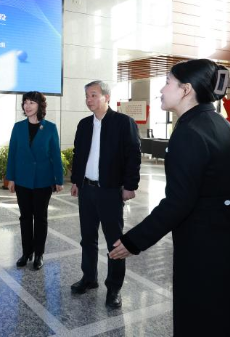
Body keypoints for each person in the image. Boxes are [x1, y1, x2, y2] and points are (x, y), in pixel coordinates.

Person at [109, 59, 230, 336]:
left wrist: (133, 241)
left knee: (202, 322)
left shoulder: (189, 133)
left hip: (205, 250)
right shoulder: (223, 125)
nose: (161, 90)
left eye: (168, 82)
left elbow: (179, 202)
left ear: (186, 90)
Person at [69, 80, 141, 308]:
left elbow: (133, 156)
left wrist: (130, 185)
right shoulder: (84, 124)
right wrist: (76, 181)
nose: (88, 99)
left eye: (93, 95)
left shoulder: (123, 123)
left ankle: (114, 288)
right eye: (87, 96)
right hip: (86, 190)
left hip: (110, 190)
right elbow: (79, 155)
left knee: (115, 242)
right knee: (87, 238)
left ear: (107, 97)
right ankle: (89, 277)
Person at [6, 92, 63, 270]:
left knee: (40, 218)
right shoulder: (18, 127)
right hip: (22, 180)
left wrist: (59, 179)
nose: (28, 106)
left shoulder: (50, 128)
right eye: (25, 102)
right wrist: (11, 178)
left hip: (43, 180)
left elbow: (55, 155)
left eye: (32, 102)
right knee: (25, 217)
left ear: (40, 105)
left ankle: (39, 254)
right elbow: (12, 154)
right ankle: (26, 252)